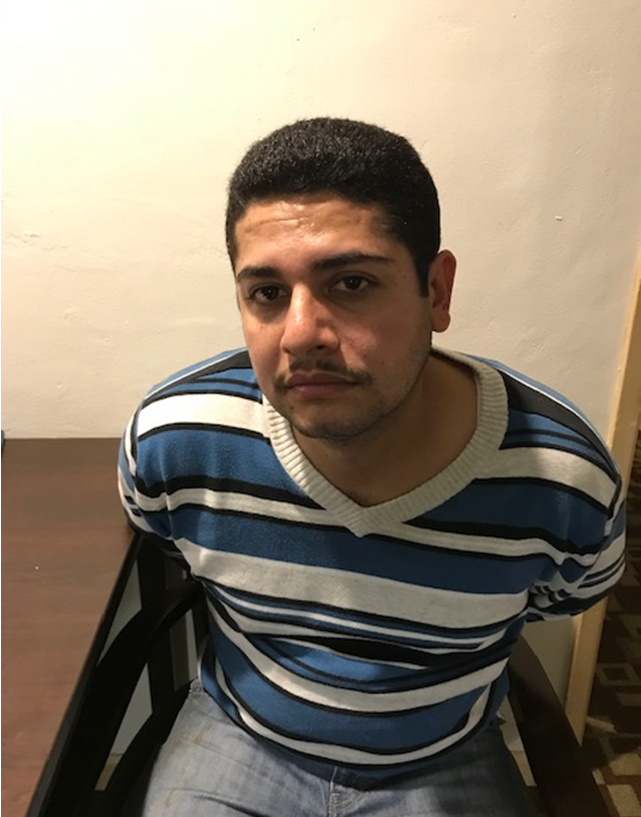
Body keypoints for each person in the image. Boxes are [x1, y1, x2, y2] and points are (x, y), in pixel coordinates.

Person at [118, 117, 626, 816]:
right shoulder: (176, 440)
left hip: (443, 753)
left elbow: (562, 596)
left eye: (351, 282)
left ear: (436, 291)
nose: (300, 334)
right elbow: (167, 538)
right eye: (266, 293)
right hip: (240, 734)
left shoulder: (562, 480)